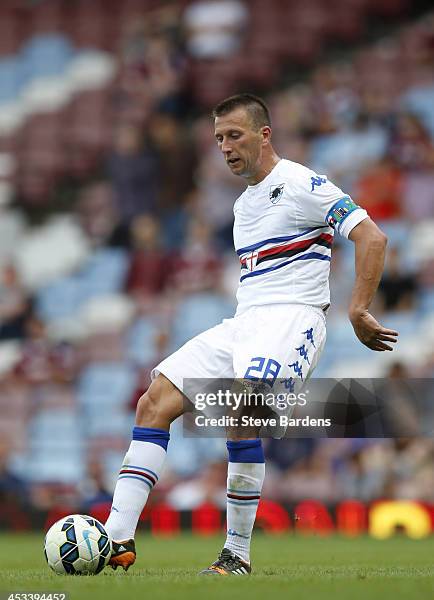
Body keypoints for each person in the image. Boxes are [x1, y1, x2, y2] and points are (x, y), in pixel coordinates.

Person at [104, 93, 398, 575]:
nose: (225, 147)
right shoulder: (243, 206)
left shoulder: (301, 182)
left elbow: (371, 236)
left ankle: (235, 554)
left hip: (294, 319)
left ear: (264, 134)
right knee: (154, 400)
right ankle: (116, 538)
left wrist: (359, 307)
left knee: (245, 408)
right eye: (219, 138)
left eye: (234, 135)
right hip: (246, 323)